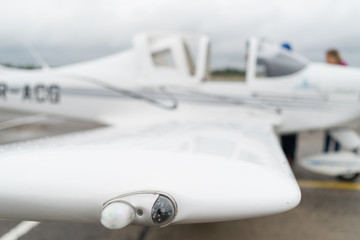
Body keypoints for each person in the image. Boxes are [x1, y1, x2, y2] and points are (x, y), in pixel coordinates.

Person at [324, 49, 347, 152]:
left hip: (340, 107)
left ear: (334, 57)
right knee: (328, 133)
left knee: (338, 133)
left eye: (328, 58)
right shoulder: (328, 69)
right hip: (330, 107)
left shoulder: (343, 70)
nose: (327, 60)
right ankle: (326, 153)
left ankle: (335, 153)